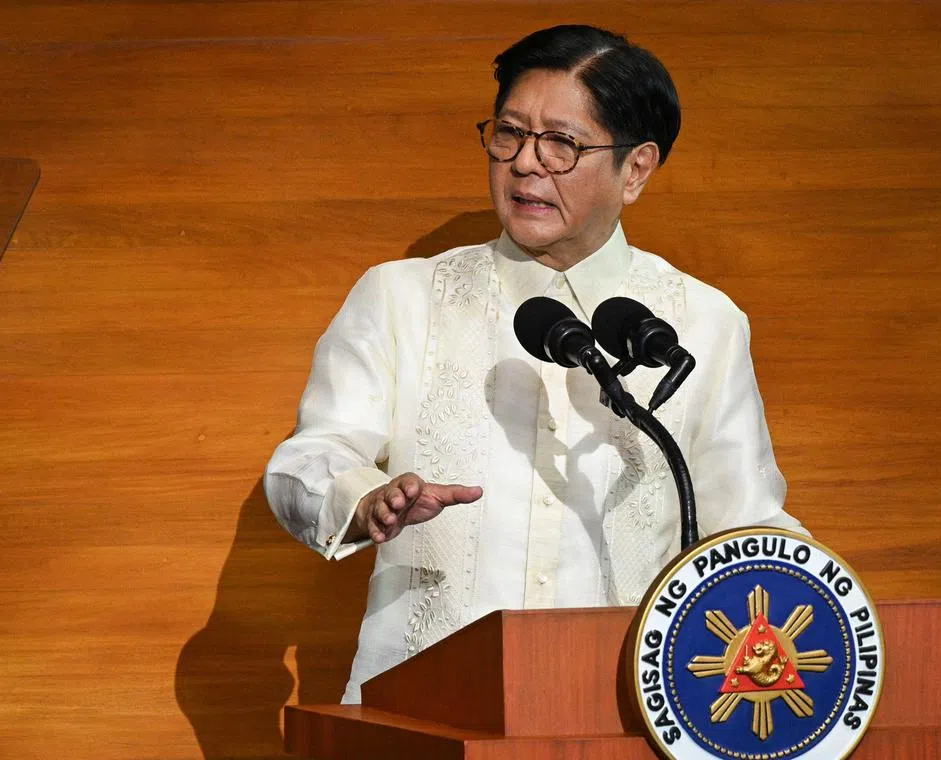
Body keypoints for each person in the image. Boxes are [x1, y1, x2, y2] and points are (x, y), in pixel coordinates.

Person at [265, 24, 805, 704]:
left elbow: (744, 523)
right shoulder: (402, 299)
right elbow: (305, 461)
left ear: (635, 168)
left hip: (621, 713)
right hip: (420, 712)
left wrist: (829, 608)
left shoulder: (701, 323)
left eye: (561, 144)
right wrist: (361, 496)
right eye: (509, 134)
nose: (525, 163)